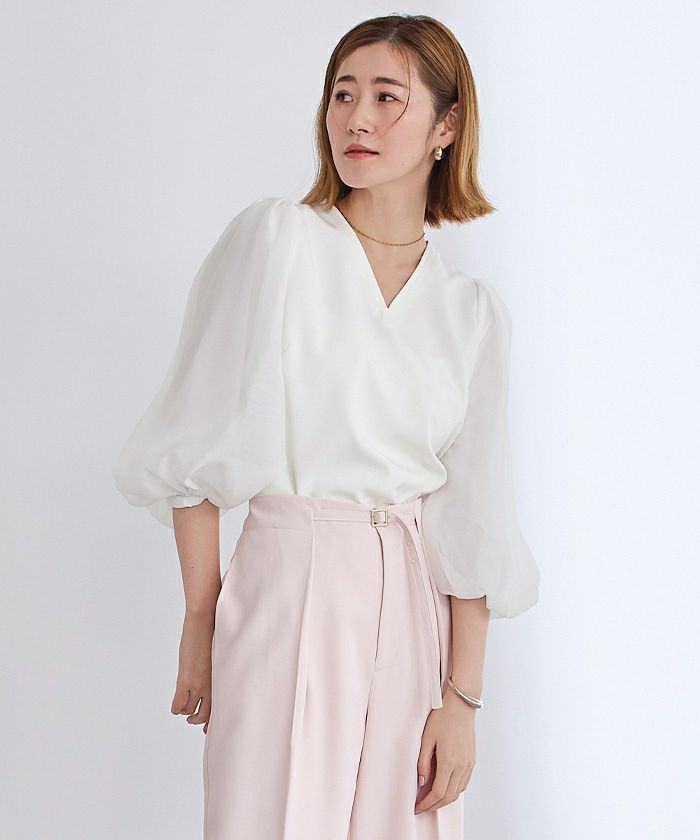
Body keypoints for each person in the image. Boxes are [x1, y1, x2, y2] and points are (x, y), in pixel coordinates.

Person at [112, 13, 540, 840]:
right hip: (288, 583)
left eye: (387, 97)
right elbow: (196, 446)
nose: (357, 118)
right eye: (343, 95)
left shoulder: (472, 315)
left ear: (446, 126)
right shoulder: (279, 243)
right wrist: (201, 618)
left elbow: (472, 518)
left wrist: (463, 700)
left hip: (412, 608)